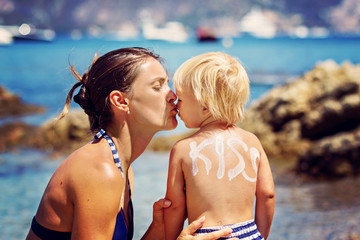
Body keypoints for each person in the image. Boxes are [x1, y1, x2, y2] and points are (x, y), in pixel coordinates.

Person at [25, 47, 236, 240]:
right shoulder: (99, 171)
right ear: (120, 101)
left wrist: (158, 228)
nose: (173, 95)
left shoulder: (121, 168)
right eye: (158, 86)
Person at [164, 52, 276, 240]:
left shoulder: (183, 149)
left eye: (181, 99)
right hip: (249, 232)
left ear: (205, 106)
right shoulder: (252, 141)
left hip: (205, 235)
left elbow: (175, 205)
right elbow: (268, 195)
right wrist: (261, 236)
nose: (176, 104)